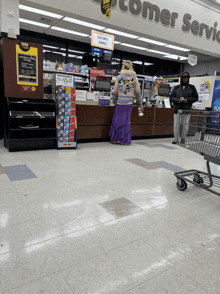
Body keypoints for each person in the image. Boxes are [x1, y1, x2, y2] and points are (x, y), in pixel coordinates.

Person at [109, 61, 143, 145]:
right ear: (131, 67)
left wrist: (114, 99)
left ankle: (113, 139)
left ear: (123, 67)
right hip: (128, 103)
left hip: (120, 102)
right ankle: (123, 140)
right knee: (126, 121)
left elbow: (115, 90)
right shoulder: (134, 77)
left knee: (116, 120)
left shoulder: (119, 77)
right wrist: (140, 103)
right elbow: (138, 91)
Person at [170, 72, 198, 144]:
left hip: (187, 109)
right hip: (177, 109)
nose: (186, 79)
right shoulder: (176, 88)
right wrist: (177, 100)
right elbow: (171, 97)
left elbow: (196, 98)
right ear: (181, 79)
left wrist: (187, 100)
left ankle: (183, 139)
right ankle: (175, 139)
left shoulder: (192, 87)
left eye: (187, 78)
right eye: (184, 78)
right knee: (176, 125)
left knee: (185, 125)